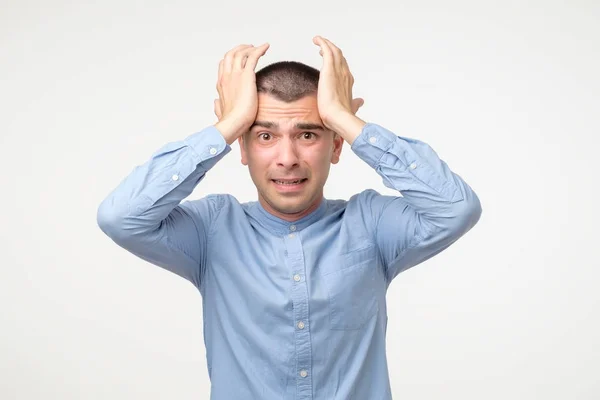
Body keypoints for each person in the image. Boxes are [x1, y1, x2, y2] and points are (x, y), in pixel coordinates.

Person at [97, 35, 482, 400]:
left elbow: (455, 209)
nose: (287, 158)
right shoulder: (211, 230)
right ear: (242, 149)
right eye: (265, 136)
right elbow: (120, 217)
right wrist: (227, 126)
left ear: (335, 146)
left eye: (308, 135)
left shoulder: (371, 223)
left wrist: (344, 120)